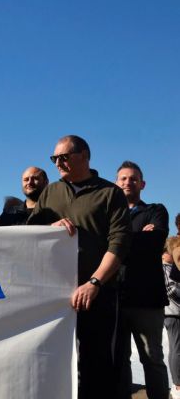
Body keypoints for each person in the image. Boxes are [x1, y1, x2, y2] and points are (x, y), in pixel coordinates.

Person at [27, 135, 131, 398]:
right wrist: (49, 228)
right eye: (54, 159)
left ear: (84, 156)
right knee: (50, 361)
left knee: (96, 366)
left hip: (96, 295)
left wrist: (94, 283)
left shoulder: (110, 193)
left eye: (63, 157)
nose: (58, 163)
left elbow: (118, 243)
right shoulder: (50, 192)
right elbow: (29, 235)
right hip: (53, 296)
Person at [112, 161, 169, 399]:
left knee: (152, 358)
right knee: (119, 359)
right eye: (123, 178)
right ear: (116, 183)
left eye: (133, 178)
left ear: (142, 184)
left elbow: (154, 244)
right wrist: (138, 238)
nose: (128, 182)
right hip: (115, 296)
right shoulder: (109, 215)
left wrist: (115, 245)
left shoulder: (156, 210)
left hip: (146, 298)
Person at [163, 236, 180, 399]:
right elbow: (171, 291)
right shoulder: (164, 267)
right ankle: (177, 386)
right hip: (172, 313)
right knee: (177, 349)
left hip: (174, 312)